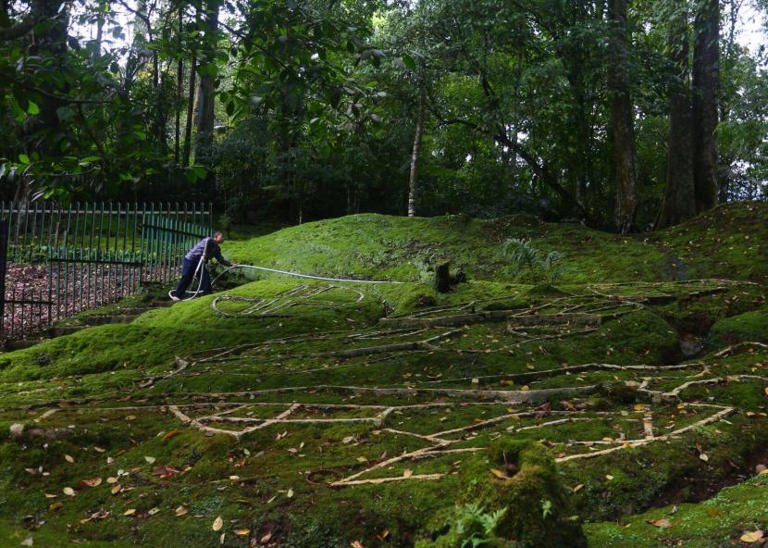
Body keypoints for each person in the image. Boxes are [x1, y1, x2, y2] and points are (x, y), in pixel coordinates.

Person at [170, 231, 236, 301]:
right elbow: (209, 243)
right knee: (186, 276)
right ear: (215, 237)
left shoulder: (216, 248)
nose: (223, 238)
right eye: (221, 236)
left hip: (199, 263)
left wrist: (231, 264)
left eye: (223, 237)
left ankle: (208, 297)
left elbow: (220, 260)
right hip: (190, 260)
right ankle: (177, 295)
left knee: (205, 278)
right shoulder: (209, 240)